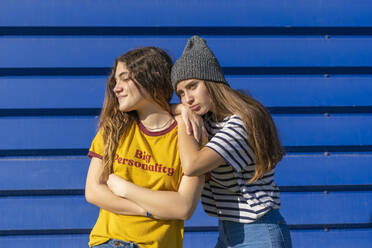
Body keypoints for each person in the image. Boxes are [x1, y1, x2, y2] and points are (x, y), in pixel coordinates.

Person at [106, 36, 293, 247]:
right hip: (230, 231)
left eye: (193, 86)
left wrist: (180, 116)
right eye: (181, 93)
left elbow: (192, 165)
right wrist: (180, 109)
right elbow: (158, 107)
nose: (188, 99)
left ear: (212, 81)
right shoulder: (209, 120)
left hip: (258, 232)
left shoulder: (239, 124)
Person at [85, 47, 204, 248]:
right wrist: (150, 210)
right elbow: (94, 192)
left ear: (151, 78)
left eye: (124, 79)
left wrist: (125, 189)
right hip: (109, 242)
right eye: (115, 81)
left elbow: (183, 207)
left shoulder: (189, 134)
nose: (116, 88)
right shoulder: (113, 128)